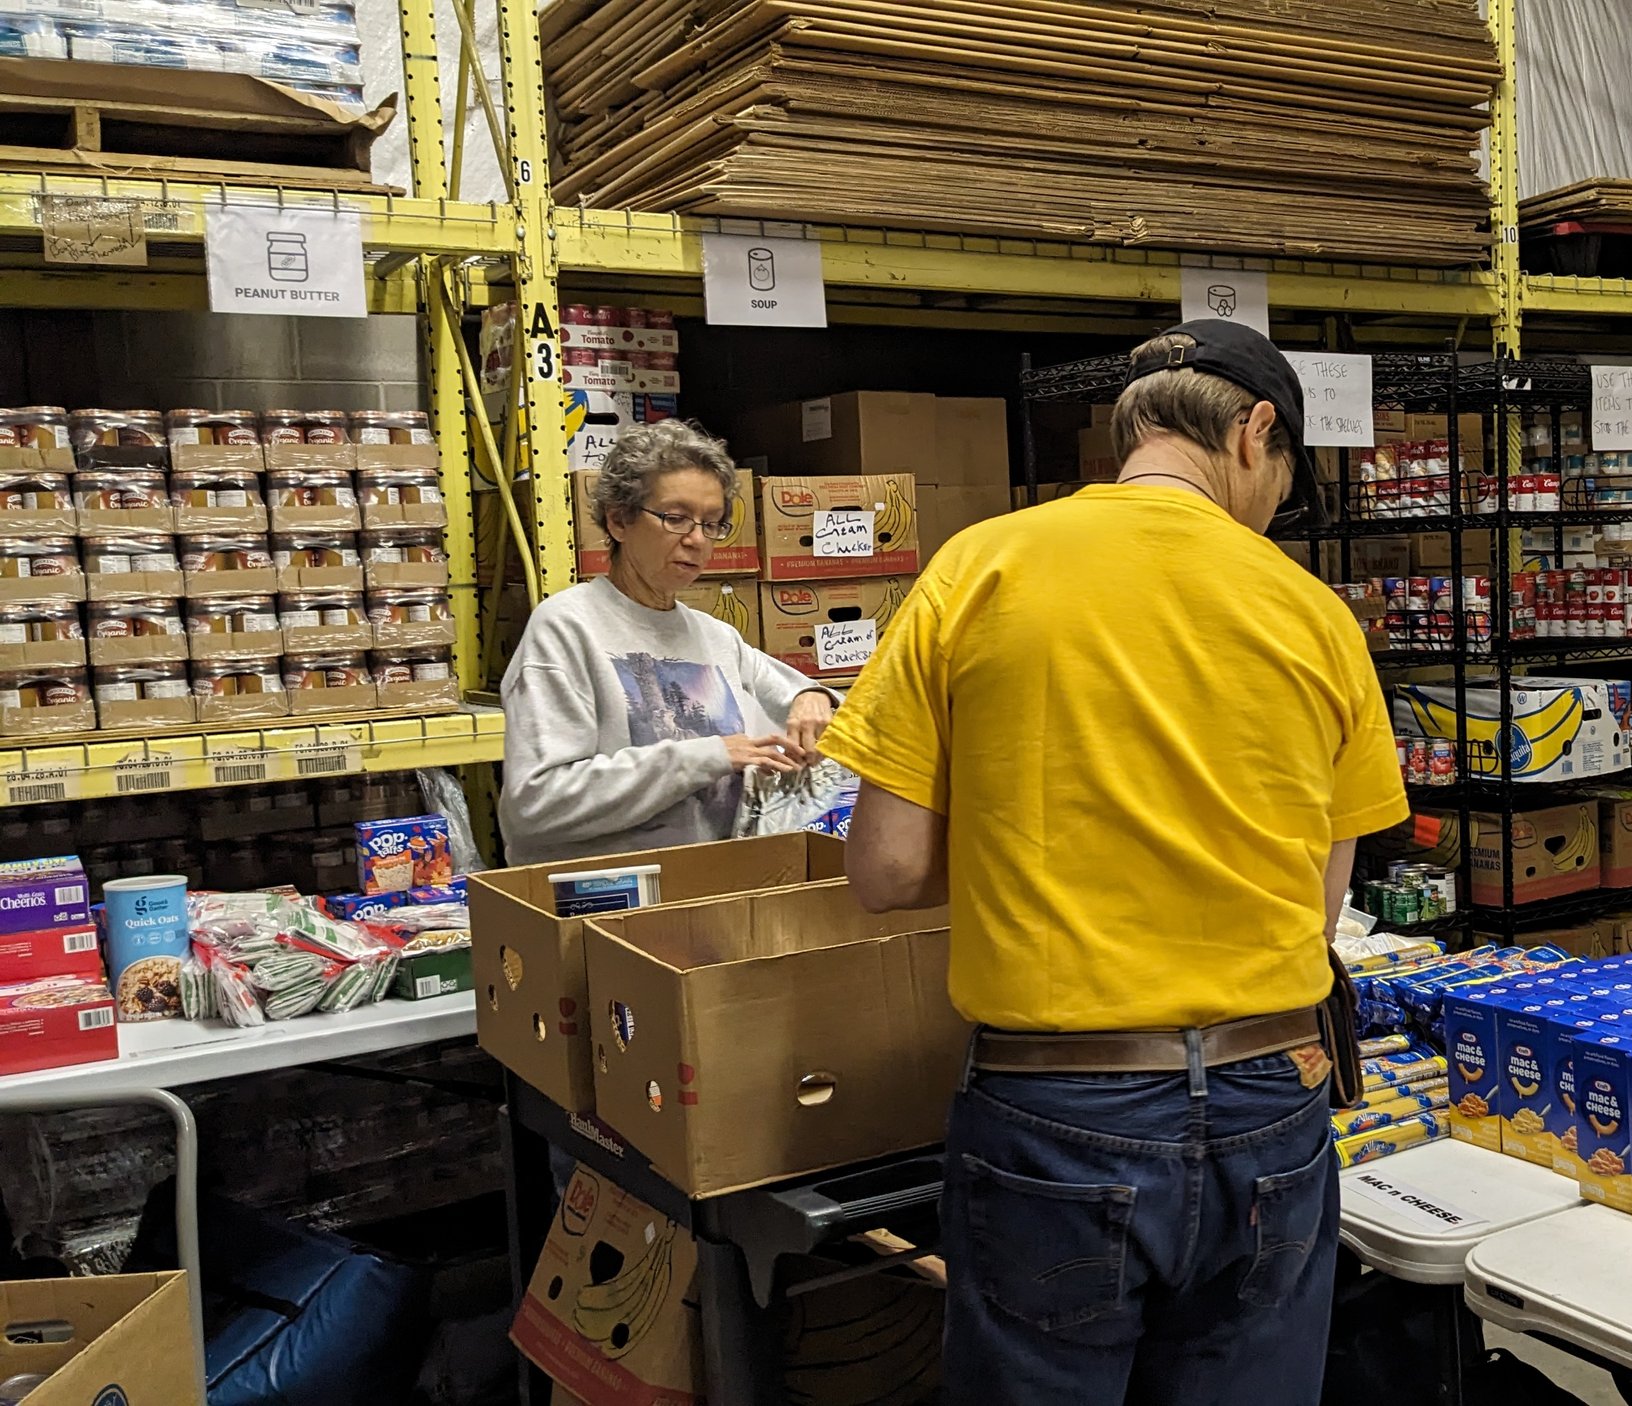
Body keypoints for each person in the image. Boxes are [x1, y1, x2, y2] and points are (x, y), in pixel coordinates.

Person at [823, 321, 1408, 1406]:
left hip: (1057, 1113)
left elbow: (886, 870)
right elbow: (1316, 902)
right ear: (1254, 432)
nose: (1273, 501)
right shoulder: (1315, 615)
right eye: (1281, 477)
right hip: (1268, 1104)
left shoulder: (981, 565)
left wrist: (1025, 841)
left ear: (1130, 427)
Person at [499, 420, 831, 865]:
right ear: (619, 520)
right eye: (675, 518)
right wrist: (708, 756)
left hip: (709, 890)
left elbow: (796, 694)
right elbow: (535, 804)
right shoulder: (567, 627)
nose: (696, 540)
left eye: (711, 523)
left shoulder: (714, 637)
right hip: (606, 903)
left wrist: (812, 697)